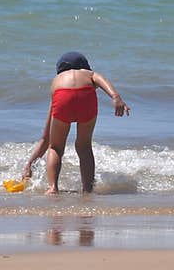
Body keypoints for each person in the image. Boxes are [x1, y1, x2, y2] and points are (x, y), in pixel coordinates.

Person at [22, 51, 129, 194]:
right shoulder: (87, 74)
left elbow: (46, 138)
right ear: (84, 66)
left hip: (62, 97)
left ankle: (53, 187)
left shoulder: (59, 80)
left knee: (55, 148)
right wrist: (115, 97)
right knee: (84, 147)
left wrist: (29, 164)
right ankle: (87, 189)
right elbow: (99, 77)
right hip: (86, 97)